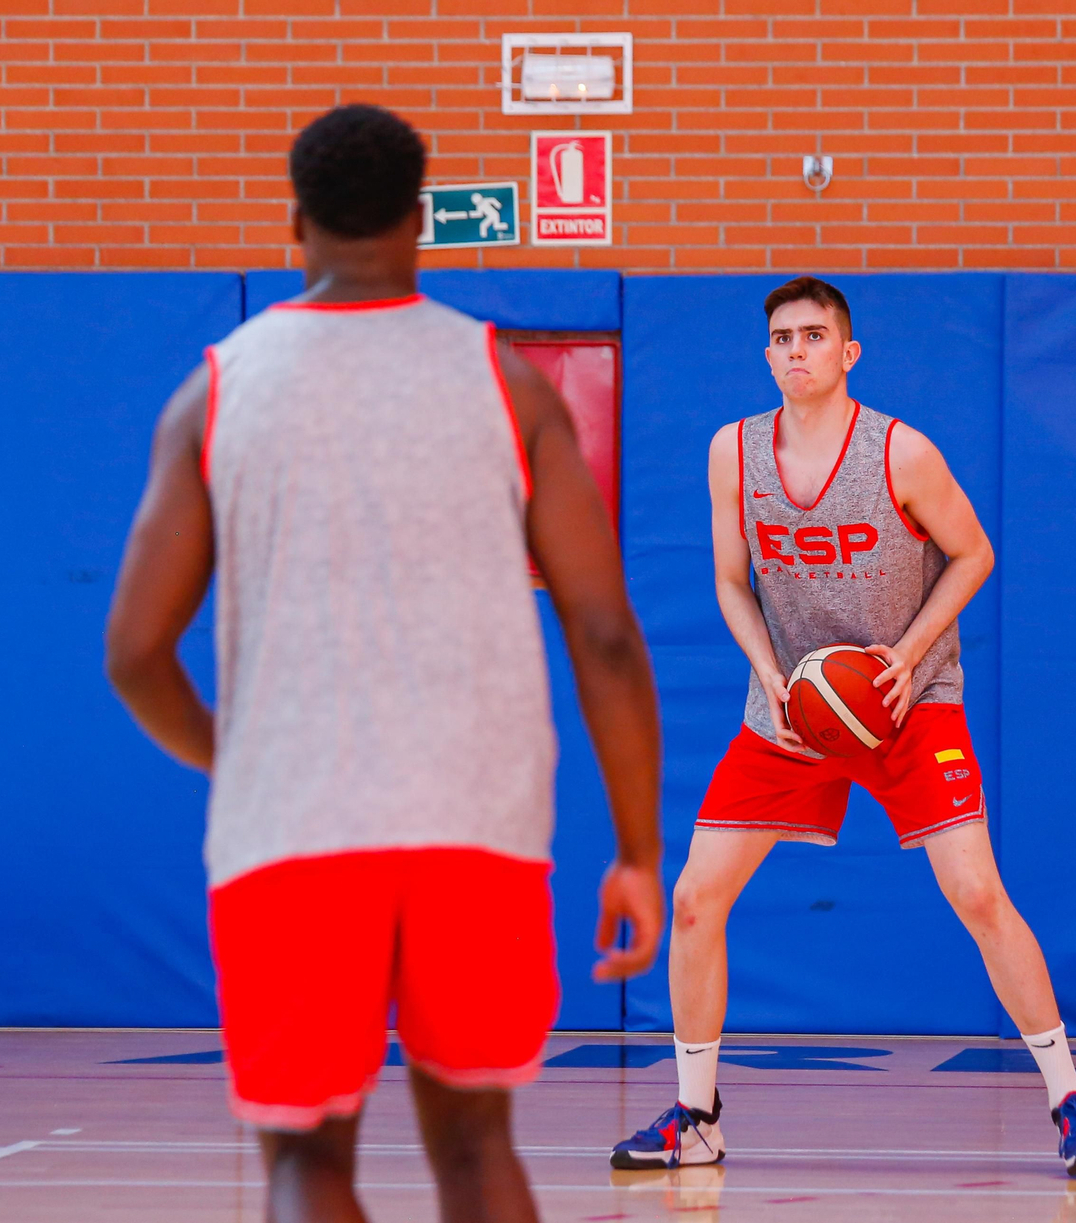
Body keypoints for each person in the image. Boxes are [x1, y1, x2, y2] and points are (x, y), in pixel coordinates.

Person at [106, 103, 666, 1223]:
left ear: (293, 225)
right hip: (478, 824)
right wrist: (640, 849)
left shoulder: (217, 390)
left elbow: (134, 651)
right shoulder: (509, 385)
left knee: (304, 1162)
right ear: (421, 220)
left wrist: (236, 757)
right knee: (475, 1146)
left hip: (294, 826)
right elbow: (603, 630)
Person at [610, 276, 1076, 1178]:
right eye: (783, 337)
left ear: (849, 353)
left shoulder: (900, 451)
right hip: (795, 703)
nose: (797, 350)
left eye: (815, 335)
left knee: (976, 894)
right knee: (695, 899)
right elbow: (732, 580)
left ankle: (1073, 1101)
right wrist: (766, 669)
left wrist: (907, 652)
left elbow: (973, 554)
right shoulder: (733, 452)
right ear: (766, 353)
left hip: (907, 696)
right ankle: (696, 1118)